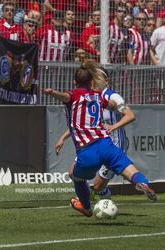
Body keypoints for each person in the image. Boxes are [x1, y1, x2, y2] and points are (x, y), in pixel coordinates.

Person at [44, 60, 157, 217]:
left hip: (87, 149)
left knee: (77, 177)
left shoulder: (75, 94)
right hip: (106, 144)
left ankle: (87, 208)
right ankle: (142, 182)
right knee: (129, 170)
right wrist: (116, 105)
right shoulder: (97, 96)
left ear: (74, 82)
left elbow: (64, 97)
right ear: (91, 81)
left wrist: (52, 93)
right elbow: (110, 105)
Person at [55, 65, 134, 200]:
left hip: (113, 145)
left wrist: (113, 127)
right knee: (72, 173)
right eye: (93, 76)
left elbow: (130, 115)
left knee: (98, 186)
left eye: (99, 76)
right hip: (93, 144)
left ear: (106, 81)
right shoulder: (88, 96)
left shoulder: (112, 96)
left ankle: (105, 203)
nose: (95, 79)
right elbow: (80, 124)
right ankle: (90, 200)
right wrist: (62, 138)